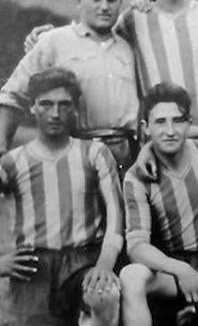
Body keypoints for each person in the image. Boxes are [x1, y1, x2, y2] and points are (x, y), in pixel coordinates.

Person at [0, 68, 123, 326]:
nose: (55, 113)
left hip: (84, 262)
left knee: (105, 296)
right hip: (33, 266)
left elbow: (115, 215)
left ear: (75, 109)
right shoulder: (13, 162)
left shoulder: (94, 153)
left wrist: (105, 264)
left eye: (64, 105)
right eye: (46, 104)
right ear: (32, 107)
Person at [0, 0, 139, 174]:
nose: (104, 6)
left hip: (127, 157)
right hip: (74, 154)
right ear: (78, 0)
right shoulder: (53, 41)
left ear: (119, 2)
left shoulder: (130, 47)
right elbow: (13, 96)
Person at [119, 82, 198, 326]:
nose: (170, 130)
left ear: (188, 122)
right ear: (146, 127)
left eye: (178, 121)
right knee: (131, 277)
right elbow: (137, 247)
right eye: (160, 122)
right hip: (177, 266)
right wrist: (181, 270)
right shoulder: (137, 177)